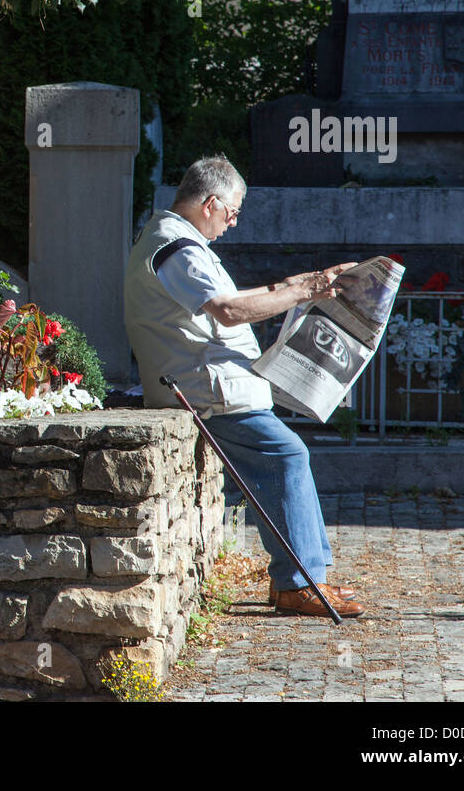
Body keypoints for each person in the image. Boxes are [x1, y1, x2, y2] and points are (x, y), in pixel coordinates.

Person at [123, 156, 364, 618]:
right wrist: (306, 288)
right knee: (288, 454)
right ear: (211, 203)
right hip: (207, 389)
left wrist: (312, 283)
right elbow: (229, 311)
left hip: (212, 385)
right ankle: (299, 583)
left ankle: (303, 579)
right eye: (232, 212)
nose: (233, 223)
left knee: (287, 455)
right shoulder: (179, 248)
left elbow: (240, 300)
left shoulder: (174, 241)